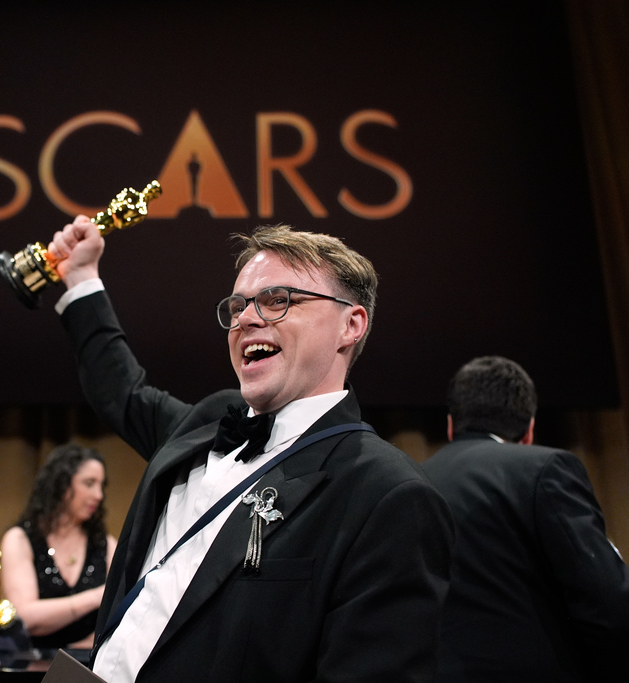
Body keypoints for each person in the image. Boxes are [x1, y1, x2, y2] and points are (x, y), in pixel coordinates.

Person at [40, 216, 454, 682]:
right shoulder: (209, 421)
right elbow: (122, 390)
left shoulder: (388, 494)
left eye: (278, 301)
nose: (247, 319)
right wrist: (81, 279)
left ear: (350, 325)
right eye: (238, 306)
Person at [421, 355, 629, 681]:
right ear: (530, 431)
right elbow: (609, 604)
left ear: (450, 425)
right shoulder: (544, 469)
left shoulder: (407, 483)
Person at [0, 443, 117, 650]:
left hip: (89, 664)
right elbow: (26, 617)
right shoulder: (20, 539)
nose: (98, 495)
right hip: (31, 664)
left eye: (101, 485)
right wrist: (98, 596)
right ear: (61, 485)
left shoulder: (106, 544)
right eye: (89, 483)